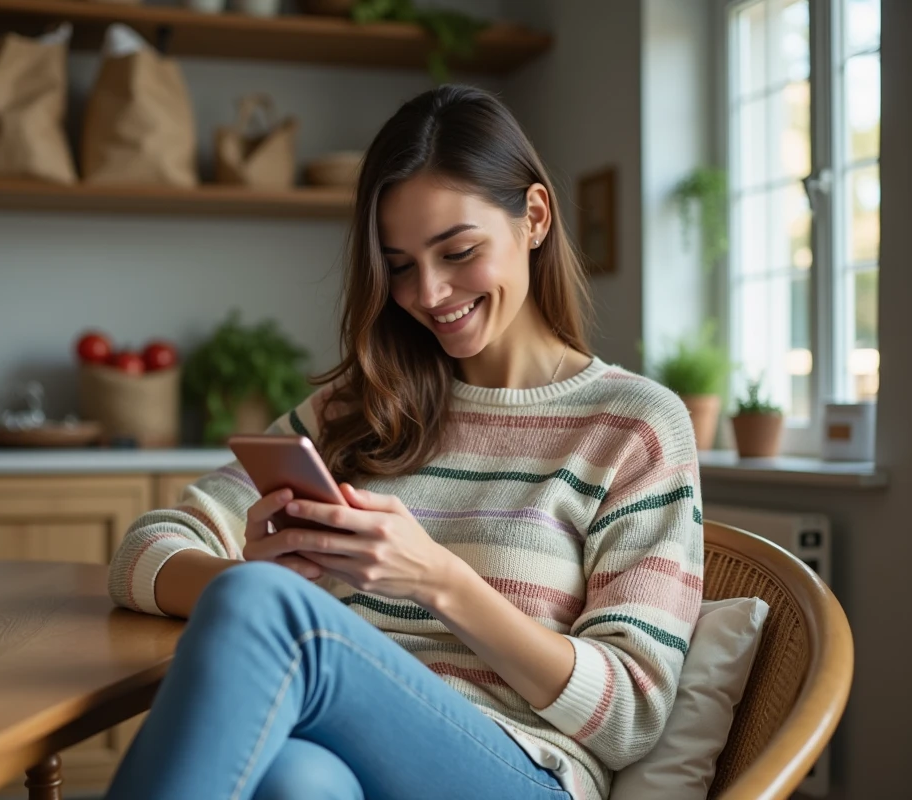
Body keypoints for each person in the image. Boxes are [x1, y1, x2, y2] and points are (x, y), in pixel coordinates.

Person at [104, 84, 702, 800]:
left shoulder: (634, 424)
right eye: (400, 265)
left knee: (275, 617)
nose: (430, 293)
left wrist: (437, 580)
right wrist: (271, 574)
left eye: (458, 252)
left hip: (524, 773)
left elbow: (629, 714)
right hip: (344, 756)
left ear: (534, 217)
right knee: (294, 781)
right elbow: (142, 553)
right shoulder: (356, 409)